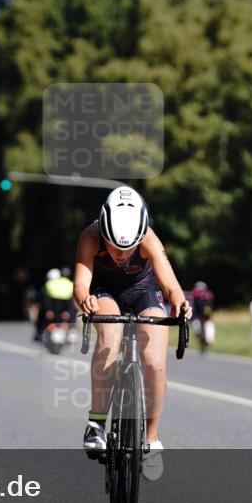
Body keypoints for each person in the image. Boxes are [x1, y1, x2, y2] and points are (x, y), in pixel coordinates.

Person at [73, 186, 191, 481]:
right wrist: (84, 298)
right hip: (104, 291)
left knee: (154, 361)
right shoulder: (90, 237)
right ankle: (97, 424)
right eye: (114, 247)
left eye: (128, 248)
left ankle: (151, 438)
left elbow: (170, 285)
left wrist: (179, 302)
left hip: (144, 291)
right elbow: (81, 284)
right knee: (110, 337)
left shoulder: (149, 238)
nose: (122, 254)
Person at [37, 268, 74, 339]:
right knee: (72, 315)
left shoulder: (48, 284)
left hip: (53, 306)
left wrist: (49, 310)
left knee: (41, 314)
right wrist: (67, 312)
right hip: (65, 306)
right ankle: (71, 330)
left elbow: (45, 299)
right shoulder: (70, 283)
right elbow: (70, 300)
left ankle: (40, 332)